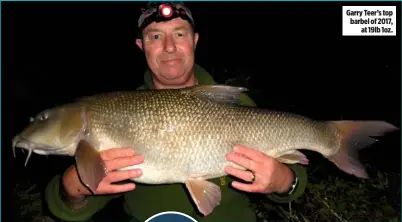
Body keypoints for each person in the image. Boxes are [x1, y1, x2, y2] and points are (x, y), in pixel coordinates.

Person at [45, 2, 308, 222]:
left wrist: (285, 181)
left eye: (179, 34)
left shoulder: (235, 104)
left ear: (194, 40)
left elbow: (294, 184)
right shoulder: (117, 110)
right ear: (141, 45)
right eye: (156, 36)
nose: (169, 47)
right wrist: (72, 189)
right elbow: (73, 209)